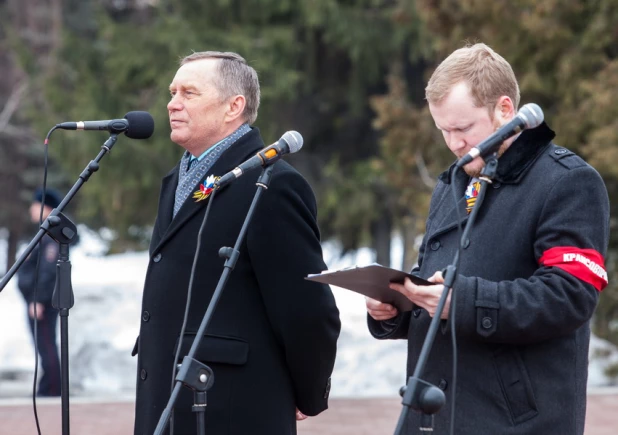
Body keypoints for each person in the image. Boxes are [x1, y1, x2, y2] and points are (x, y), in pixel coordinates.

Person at [366, 43, 609, 434]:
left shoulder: (568, 182)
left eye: (463, 128)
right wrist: (397, 308)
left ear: (505, 110)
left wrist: (459, 302)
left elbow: (570, 296)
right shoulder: (452, 183)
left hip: (514, 421)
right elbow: (439, 278)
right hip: (433, 417)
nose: (453, 144)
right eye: (443, 130)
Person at [132, 51, 341, 435]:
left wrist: (308, 391)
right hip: (167, 399)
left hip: (232, 405)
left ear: (234, 106)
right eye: (172, 91)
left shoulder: (272, 184)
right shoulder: (176, 181)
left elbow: (307, 307)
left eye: (189, 93)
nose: (172, 103)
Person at [17, 188, 63, 397]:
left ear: (46, 208)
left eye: (35, 205)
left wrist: (37, 300)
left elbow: (48, 271)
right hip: (36, 300)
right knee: (43, 344)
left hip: (41, 302)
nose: (31, 210)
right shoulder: (43, 233)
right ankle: (49, 385)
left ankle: (52, 387)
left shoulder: (50, 235)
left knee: (46, 343)